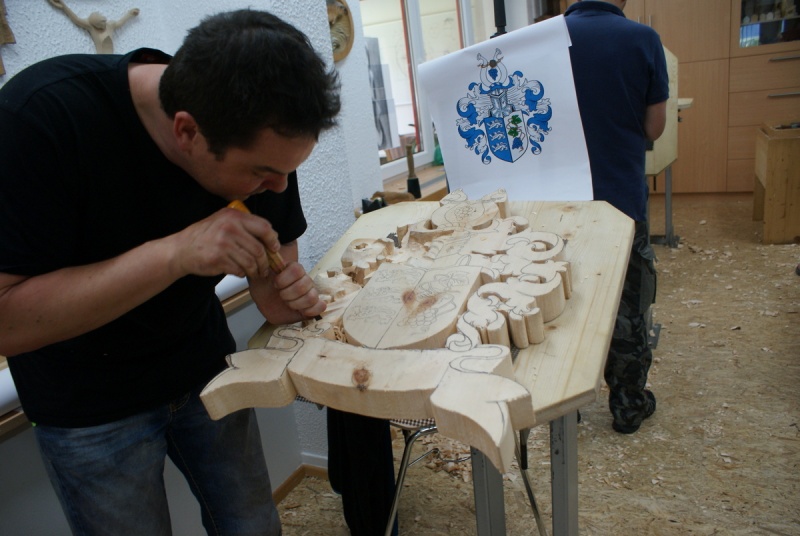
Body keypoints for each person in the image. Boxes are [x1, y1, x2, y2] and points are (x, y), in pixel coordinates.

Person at [0, 9, 339, 535]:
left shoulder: (265, 129)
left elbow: (274, 283)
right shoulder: (38, 120)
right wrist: (177, 253)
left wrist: (281, 292)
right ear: (187, 131)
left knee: (253, 525)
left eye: (287, 172)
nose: (277, 187)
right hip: (88, 403)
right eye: (262, 174)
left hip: (204, 366)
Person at [564, 0, 669, 434]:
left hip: (557, 207)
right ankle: (627, 405)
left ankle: (562, 405)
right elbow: (654, 127)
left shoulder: (543, 38)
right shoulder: (643, 40)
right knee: (627, 307)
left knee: (562, 304)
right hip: (619, 201)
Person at [48, 0, 140, 54]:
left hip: (112, 57)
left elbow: (120, 23)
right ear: (94, 25)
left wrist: (130, 14)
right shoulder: (92, 28)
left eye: (103, 22)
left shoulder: (110, 25)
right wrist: (64, 7)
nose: (102, 26)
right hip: (101, 57)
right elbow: (76, 19)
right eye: (98, 25)